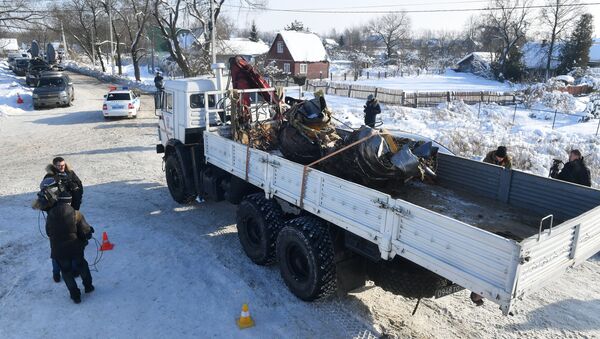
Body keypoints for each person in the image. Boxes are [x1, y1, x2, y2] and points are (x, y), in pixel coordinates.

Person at [46, 191, 95, 304]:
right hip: (75, 248)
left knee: (66, 272)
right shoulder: (76, 214)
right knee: (82, 265)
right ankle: (88, 286)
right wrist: (89, 232)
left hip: (58, 251)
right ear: (69, 201)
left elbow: (48, 232)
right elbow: (85, 230)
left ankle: (75, 296)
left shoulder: (50, 214)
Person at [42, 157, 84, 282]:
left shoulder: (70, 173)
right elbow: (48, 197)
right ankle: (56, 272)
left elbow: (79, 186)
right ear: (54, 166)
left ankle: (75, 269)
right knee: (56, 246)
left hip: (72, 211)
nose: (62, 167)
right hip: (55, 214)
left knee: (72, 242)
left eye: (63, 165)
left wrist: (76, 193)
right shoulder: (49, 178)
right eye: (59, 165)